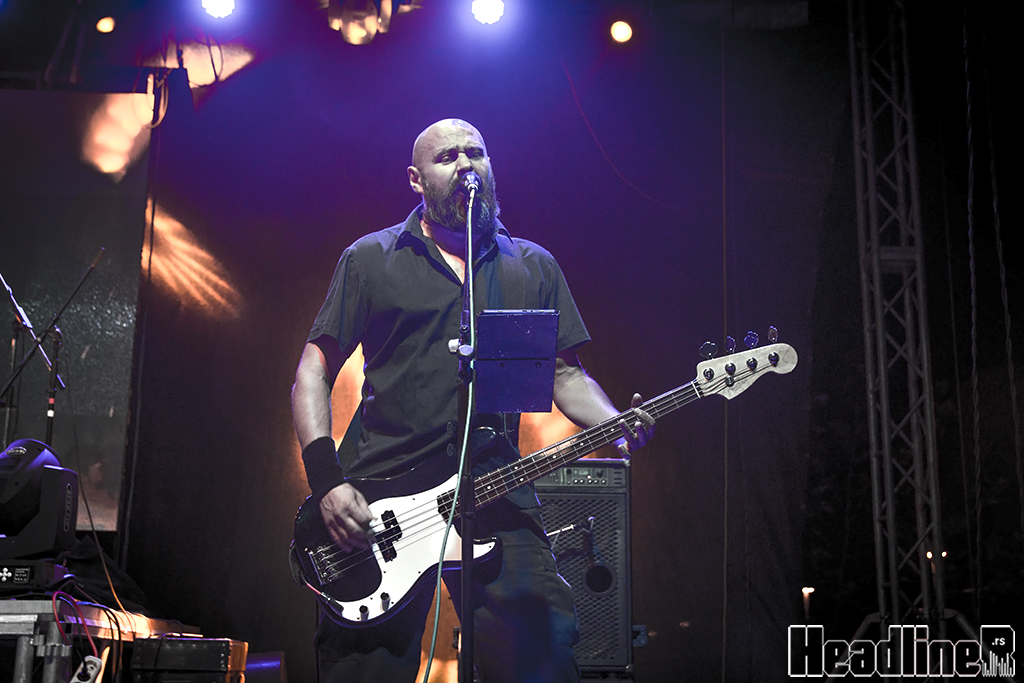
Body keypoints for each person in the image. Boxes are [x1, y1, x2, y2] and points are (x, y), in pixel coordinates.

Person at [291, 118, 653, 683]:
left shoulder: (531, 265)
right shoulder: (371, 258)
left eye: (475, 153)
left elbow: (564, 375)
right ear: (416, 179)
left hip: (493, 488)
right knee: (361, 670)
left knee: (543, 657)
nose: (465, 165)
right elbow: (313, 371)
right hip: (380, 497)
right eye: (447, 157)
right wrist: (326, 481)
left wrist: (615, 422)